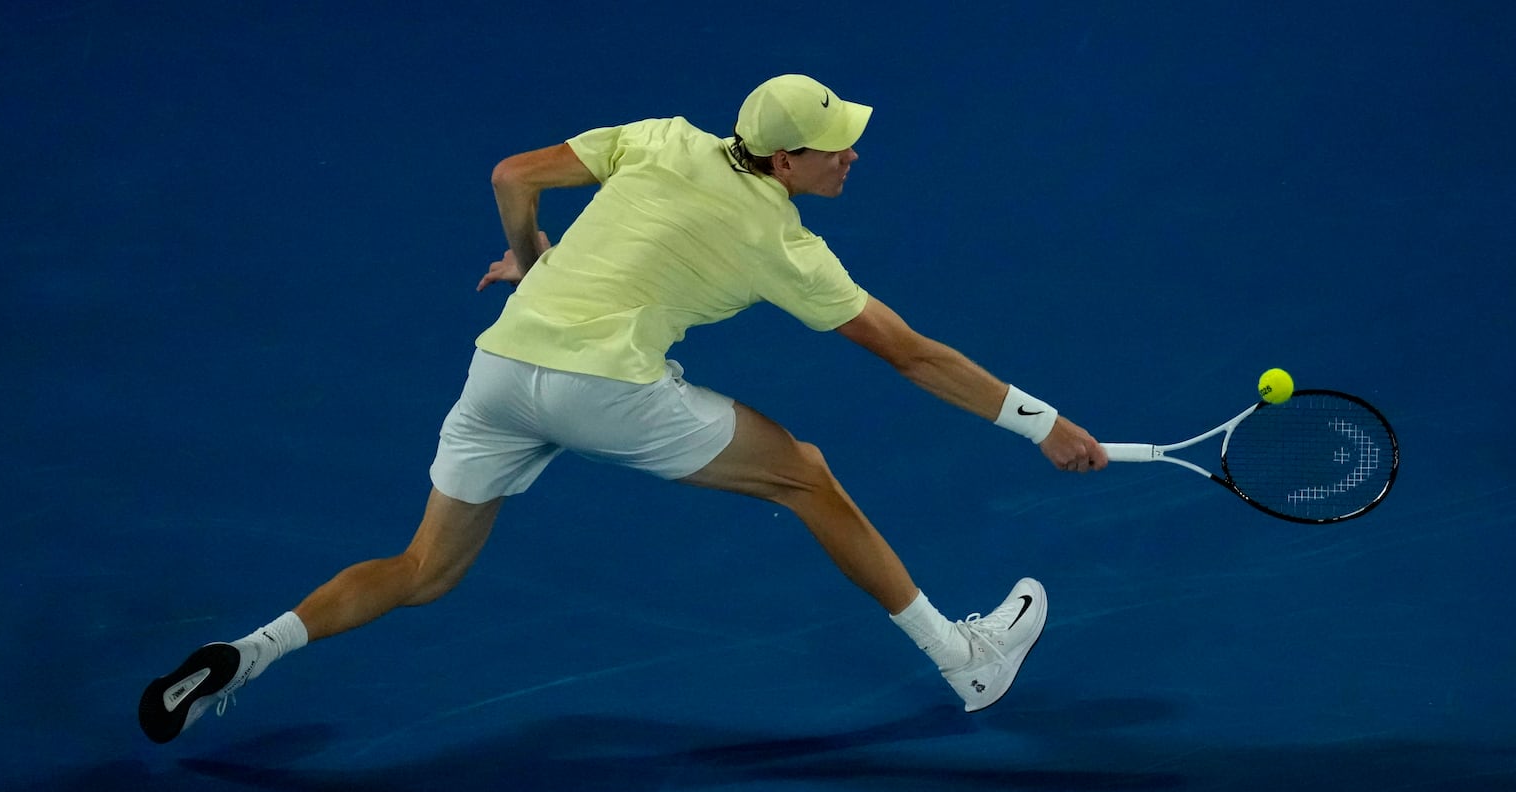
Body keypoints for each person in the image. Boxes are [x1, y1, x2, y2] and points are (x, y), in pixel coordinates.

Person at [138, 73, 1108, 744]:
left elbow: (512, 175)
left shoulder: (663, 140)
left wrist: (527, 257)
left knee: (422, 569)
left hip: (500, 372)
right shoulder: (786, 247)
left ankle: (246, 652)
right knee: (805, 474)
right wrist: (1042, 424)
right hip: (605, 388)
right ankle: (963, 660)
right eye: (833, 148)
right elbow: (908, 353)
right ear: (782, 163)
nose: (851, 155)